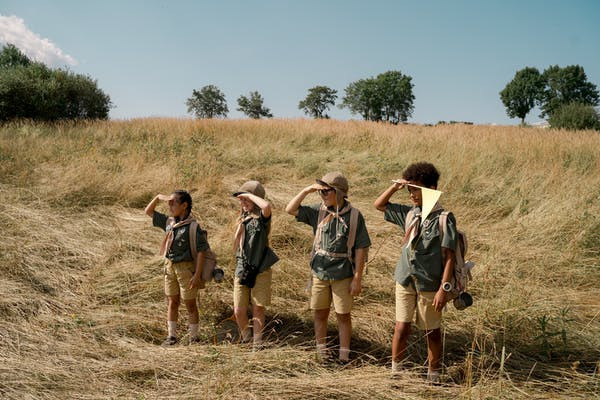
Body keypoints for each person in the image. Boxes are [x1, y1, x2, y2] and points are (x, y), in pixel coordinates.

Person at [373, 162, 457, 383]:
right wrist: (395, 187)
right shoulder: (410, 214)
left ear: (430, 188)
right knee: (401, 327)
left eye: (415, 189)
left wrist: (443, 289)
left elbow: (450, 256)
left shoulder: (444, 218)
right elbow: (379, 205)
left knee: (431, 331)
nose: (411, 194)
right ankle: (396, 372)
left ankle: (434, 374)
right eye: (409, 189)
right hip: (405, 280)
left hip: (430, 284)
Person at [286, 172, 370, 363]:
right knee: (320, 313)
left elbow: (361, 248)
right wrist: (307, 190)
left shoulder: (355, 216)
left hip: (343, 274)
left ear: (339, 193)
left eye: (326, 191)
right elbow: (290, 209)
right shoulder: (318, 211)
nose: (322, 195)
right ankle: (321, 351)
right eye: (320, 191)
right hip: (320, 273)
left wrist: (357, 278)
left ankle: (344, 355)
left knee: (343, 315)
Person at [144, 190, 209, 346]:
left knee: (190, 304)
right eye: (169, 202)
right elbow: (148, 211)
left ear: (184, 206)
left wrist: (197, 274)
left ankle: (194, 338)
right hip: (169, 267)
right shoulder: (169, 222)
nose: (170, 205)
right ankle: (171, 336)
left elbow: (201, 251)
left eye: (174, 202)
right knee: (172, 302)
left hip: (186, 270)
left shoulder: (192, 227)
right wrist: (158, 198)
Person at [232, 180, 279, 349]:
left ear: (255, 199)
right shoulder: (243, 217)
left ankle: (257, 343)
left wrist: (251, 196)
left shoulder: (262, 218)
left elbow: (266, 207)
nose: (242, 202)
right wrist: (246, 199)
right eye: (241, 200)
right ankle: (246, 339)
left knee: (258, 308)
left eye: (246, 199)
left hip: (261, 269)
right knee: (239, 310)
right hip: (242, 268)